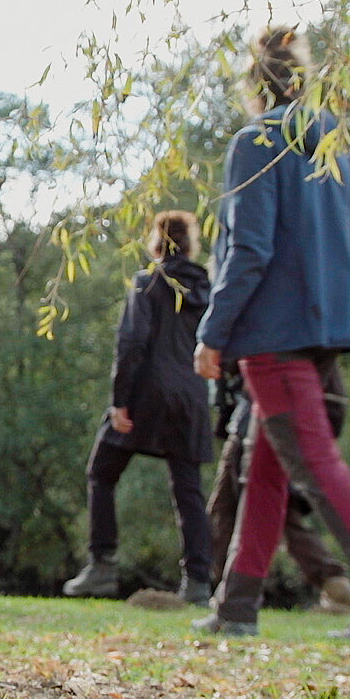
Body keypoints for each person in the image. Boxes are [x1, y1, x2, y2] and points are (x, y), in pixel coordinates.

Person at [191, 26, 350, 640]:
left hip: (273, 333)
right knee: (267, 467)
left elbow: (249, 249)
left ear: (254, 89)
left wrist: (212, 333)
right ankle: (237, 605)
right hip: (328, 328)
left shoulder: (256, 143)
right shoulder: (342, 152)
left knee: (316, 461)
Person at [63, 211, 215, 602]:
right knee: (188, 489)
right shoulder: (210, 290)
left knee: (102, 472)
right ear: (191, 244)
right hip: (193, 395)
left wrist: (119, 403)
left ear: (155, 243)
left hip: (147, 392)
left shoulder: (148, 283)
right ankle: (198, 582)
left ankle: (102, 566)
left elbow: (131, 343)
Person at [206, 366, 350, 614]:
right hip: (281, 410)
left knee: (234, 511)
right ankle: (335, 581)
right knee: (272, 510)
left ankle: (227, 595)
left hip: (259, 413)